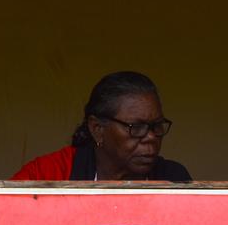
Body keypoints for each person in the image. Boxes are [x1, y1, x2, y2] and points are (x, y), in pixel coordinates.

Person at [11, 71, 192, 181]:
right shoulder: (48, 174)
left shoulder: (173, 179)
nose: (151, 138)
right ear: (97, 129)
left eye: (156, 126)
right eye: (136, 128)